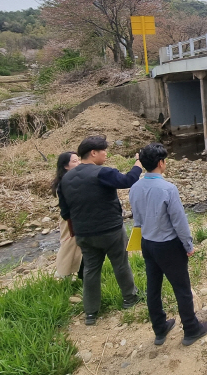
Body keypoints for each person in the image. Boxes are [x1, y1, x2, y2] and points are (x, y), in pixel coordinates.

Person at [129, 143, 207, 346]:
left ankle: (159, 328)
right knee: (182, 288)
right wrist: (188, 245)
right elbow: (179, 222)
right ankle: (191, 329)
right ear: (160, 163)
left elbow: (137, 219)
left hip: (147, 243)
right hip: (168, 246)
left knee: (153, 287)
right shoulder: (168, 189)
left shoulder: (135, 187)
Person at [59, 135, 143, 326]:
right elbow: (128, 180)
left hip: (84, 234)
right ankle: (130, 298)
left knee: (90, 270)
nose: (106, 153)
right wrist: (138, 163)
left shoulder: (66, 179)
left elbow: (65, 212)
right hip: (110, 230)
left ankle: (90, 313)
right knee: (120, 264)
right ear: (93, 153)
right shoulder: (102, 172)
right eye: (103, 150)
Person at [52, 151, 83, 280]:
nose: (78, 163)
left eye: (78, 160)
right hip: (69, 219)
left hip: (77, 216)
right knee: (68, 243)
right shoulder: (64, 182)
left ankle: (71, 272)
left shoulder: (74, 178)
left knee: (78, 246)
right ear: (65, 166)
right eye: (74, 161)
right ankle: (62, 273)